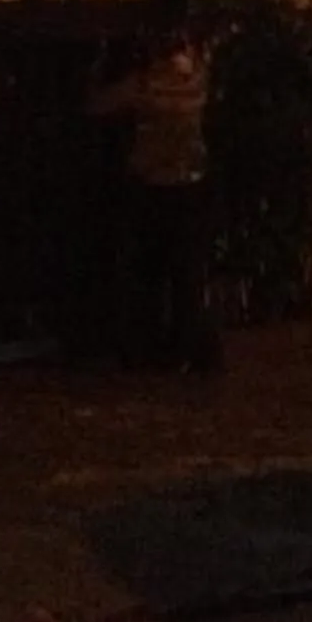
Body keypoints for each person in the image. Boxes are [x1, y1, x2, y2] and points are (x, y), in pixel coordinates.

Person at [89, 25, 222, 373]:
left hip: (153, 185)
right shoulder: (197, 80)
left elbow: (98, 104)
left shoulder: (147, 84)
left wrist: (100, 64)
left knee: (146, 271)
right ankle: (194, 351)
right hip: (192, 183)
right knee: (188, 276)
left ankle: (148, 348)